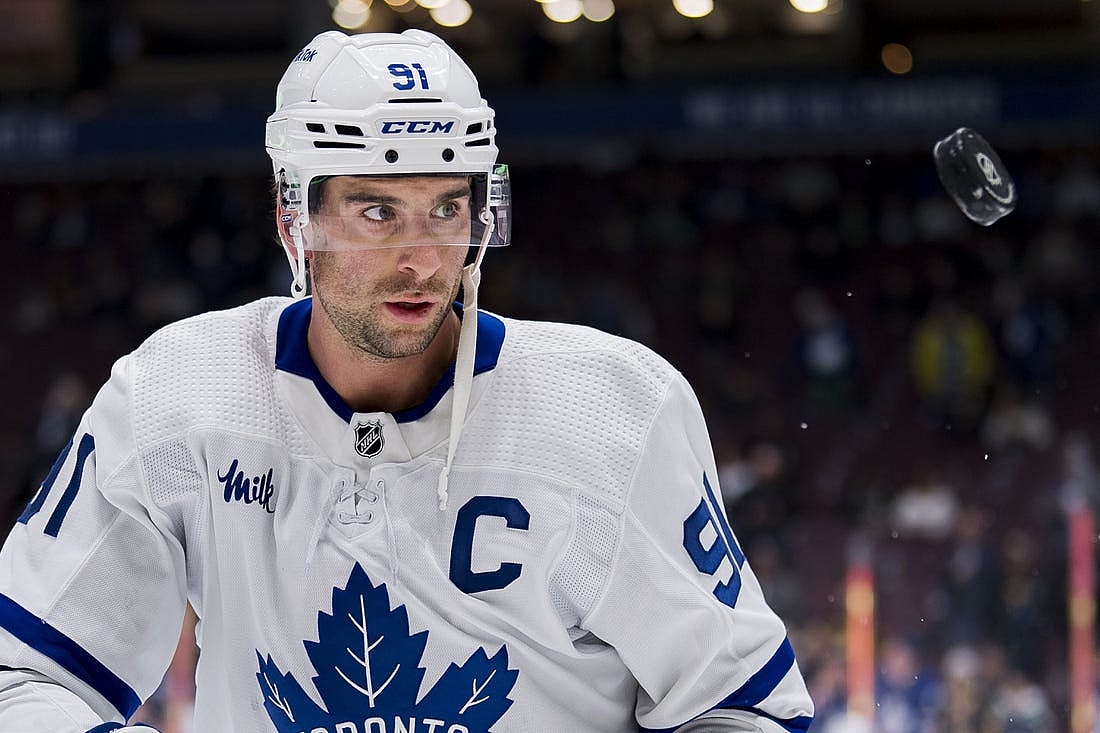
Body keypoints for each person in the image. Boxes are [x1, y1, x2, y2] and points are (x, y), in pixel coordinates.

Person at [0, 29, 813, 732]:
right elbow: (23, 675)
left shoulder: (613, 413)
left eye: (445, 209)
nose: (423, 258)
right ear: (295, 219)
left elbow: (746, 704)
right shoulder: (178, 396)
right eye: (377, 212)